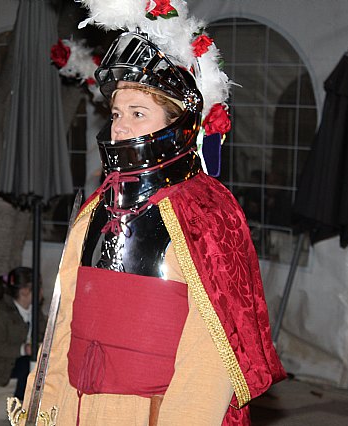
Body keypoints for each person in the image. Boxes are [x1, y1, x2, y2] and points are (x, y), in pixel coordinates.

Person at [19, 1, 286, 425]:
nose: (119, 127)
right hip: (76, 410)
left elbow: (211, 356)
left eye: (138, 114)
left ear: (177, 125)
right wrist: (45, 406)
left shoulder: (204, 214)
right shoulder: (94, 210)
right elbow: (62, 321)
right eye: (117, 114)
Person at [0, 267, 47, 401]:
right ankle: (20, 404)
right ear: (24, 291)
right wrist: (23, 349)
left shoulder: (35, 311)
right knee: (27, 364)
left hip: (26, 358)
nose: (42, 291)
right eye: (39, 286)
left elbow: (42, 331)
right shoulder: (2, 313)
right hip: (2, 363)